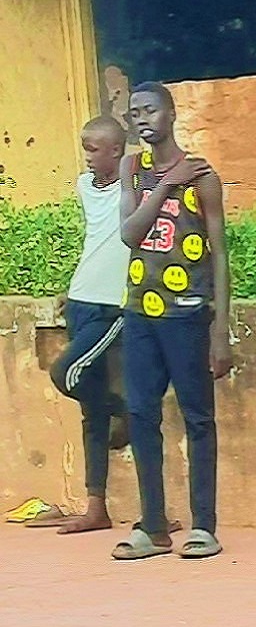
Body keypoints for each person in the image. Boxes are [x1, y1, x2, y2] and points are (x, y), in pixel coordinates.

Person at [110, 80, 229, 563]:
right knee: (141, 414)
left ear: (171, 114)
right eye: (134, 112)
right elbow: (129, 235)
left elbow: (220, 253)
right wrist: (163, 186)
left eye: (150, 110)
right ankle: (153, 526)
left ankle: (204, 525)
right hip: (140, 311)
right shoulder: (131, 169)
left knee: (198, 417)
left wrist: (221, 327)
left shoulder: (202, 176)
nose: (142, 119)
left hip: (188, 314)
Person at [50, 113, 130, 536]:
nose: (86, 157)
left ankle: (131, 414)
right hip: (81, 301)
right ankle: (96, 505)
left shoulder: (134, 186)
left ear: (116, 150)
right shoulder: (85, 187)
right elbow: (96, 239)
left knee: (65, 373)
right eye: (84, 148)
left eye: (93, 149)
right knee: (89, 413)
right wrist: (72, 288)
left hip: (112, 308)